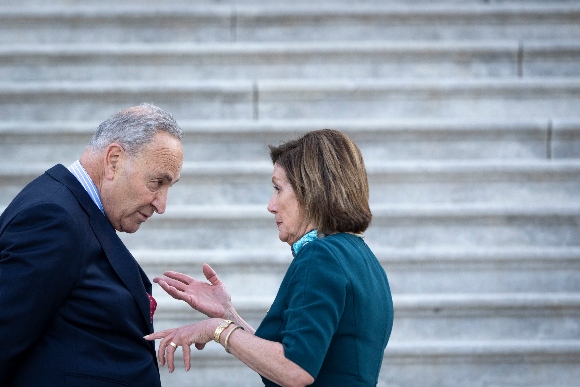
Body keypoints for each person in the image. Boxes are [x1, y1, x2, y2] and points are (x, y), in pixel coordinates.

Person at [146, 129, 394, 386]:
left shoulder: (321, 257)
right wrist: (229, 316)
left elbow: (295, 370)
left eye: (278, 189)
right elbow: (295, 357)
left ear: (311, 191)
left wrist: (215, 330)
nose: (270, 205)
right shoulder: (363, 258)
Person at [0, 103, 184, 386]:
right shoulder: (54, 218)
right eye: (157, 182)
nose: (161, 205)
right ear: (114, 161)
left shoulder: (71, 209)